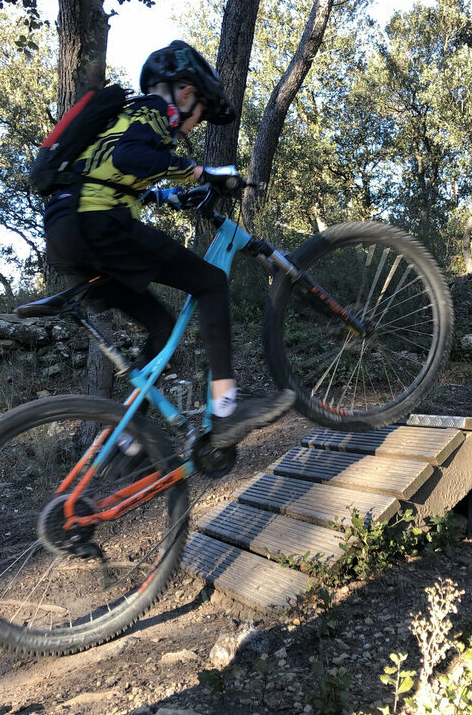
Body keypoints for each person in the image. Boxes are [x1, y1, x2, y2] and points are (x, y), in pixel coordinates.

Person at [43, 40, 294, 448]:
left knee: (160, 327)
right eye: (202, 113)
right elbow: (128, 160)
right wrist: (201, 172)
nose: (196, 123)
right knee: (211, 282)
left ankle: (128, 442)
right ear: (187, 93)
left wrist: (168, 196)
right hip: (96, 224)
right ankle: (226, 409)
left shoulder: (124, 121)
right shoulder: (155, 110)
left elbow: (114, 172)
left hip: (67, 233)